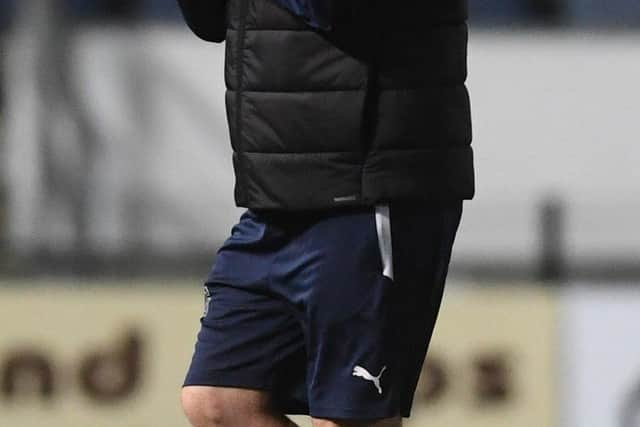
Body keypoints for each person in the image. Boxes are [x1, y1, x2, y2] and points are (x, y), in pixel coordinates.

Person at [177, 0, 474, 426]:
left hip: (367, 179)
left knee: (347, 418)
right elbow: (209, 20)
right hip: (278, 191)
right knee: (219, 400)